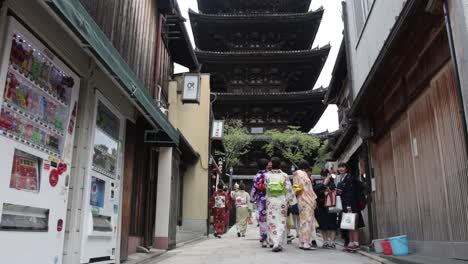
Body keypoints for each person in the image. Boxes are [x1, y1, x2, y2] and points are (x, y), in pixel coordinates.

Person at [265, 157, 296, 252]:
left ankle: (274, 242)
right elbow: (288, 189)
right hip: (281, 200)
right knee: (281, 221)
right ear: (280, 164)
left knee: (272, 221)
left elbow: (266, 188)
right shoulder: (285, 175)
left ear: (271, 164)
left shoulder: (267, 175)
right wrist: (290, 201)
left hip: (271, 200)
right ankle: (279, 243)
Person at [336, 162, 365, 252]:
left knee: (354, 224)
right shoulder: (341, 178)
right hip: (345, 204)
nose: (341, 169)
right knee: (348, 224)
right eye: (340, 167)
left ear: (346, 169)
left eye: (343, 167)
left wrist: (349, 205)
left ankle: (356, 243)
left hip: (351, 204)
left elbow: (350, 193)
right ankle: (351, 242)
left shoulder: (350, 178)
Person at [292, 160, 318, 250]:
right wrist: (313, 199)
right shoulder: (304, 175)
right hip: (307, 200)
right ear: (306, 167)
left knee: (302, 222)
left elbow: (296, 189)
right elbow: (308, 189)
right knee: (308, 222)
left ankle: (301, 242)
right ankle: (307, 243)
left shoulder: (295, 174)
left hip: (300, 199)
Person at [314, 169, 338, 249]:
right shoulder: (320, 184)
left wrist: (326, 191)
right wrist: (324, 189)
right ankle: (325, 241)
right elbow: (316, 192)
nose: (324, 177)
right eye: (323, 175)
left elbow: (333, 192)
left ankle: (332, 241)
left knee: (332, 224)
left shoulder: (332, 184)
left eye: (325, 175)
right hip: (322, 206)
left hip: (331, 206)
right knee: (323, 225)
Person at [251, 158, 269, 247]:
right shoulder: (270, 175)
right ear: (267, 165)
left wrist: (252, 198)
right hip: (270, 198)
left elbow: (254, 188)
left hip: (260, 199)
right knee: (270, 218)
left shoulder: (256, 176)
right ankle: (270, 237)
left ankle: (264, 238)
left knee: (262, 219)